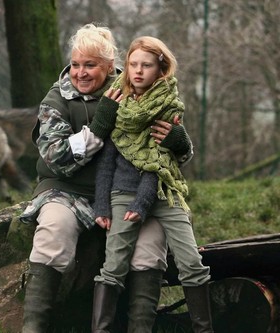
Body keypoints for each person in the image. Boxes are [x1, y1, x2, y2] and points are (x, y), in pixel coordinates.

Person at [19, 23, 194, 332]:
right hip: (65, 190)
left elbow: (169, 157)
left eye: (90, 65)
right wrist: (99, 127)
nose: (80, 73)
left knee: (150, 244)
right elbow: (56, 158)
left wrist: (178, 140)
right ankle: (34, 327)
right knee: (54, 229)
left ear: (110, 67)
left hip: (127, 192)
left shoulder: (133, 90)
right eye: (75, 64)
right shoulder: (56, 100)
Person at [91, 36, 213, 333]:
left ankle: (204, 329)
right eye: (133, 64)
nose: (138, 71)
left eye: (146, 65)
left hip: (164, 191)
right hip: (123, 192)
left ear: (161, 69)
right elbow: (105, 161)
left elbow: (158, 162)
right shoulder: (115, 101)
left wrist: (178, 140)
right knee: (114, 265)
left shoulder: (169, 105)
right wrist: (102, 204)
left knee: (192, 263)